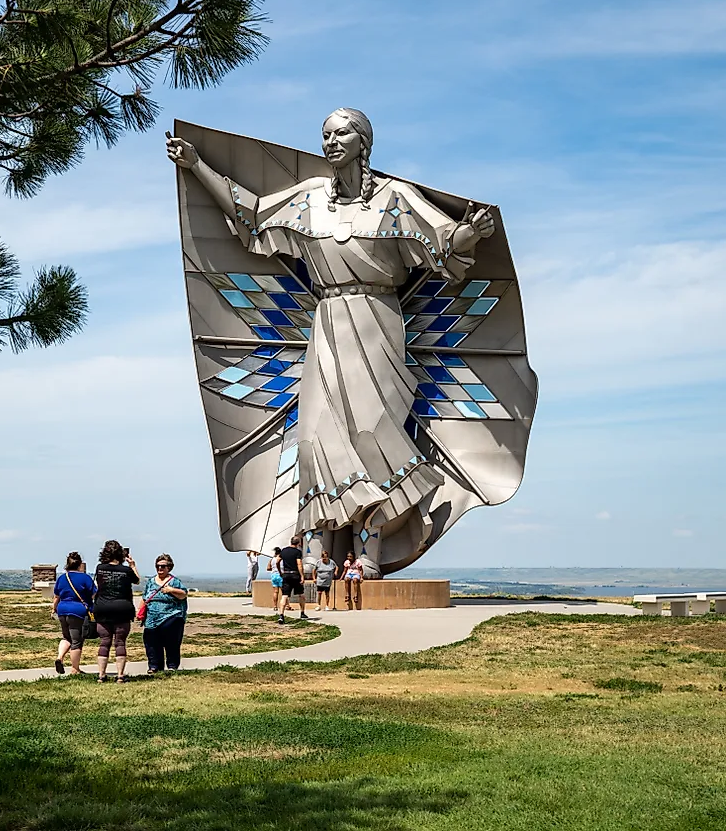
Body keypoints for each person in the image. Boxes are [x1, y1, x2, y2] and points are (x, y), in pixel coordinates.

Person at [167, 110, 497, 574]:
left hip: (377, 320)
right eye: (325, 134)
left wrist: (470, 233)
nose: (331, 141)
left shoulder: (394, 199)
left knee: (371, 433)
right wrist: (197, 166)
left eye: (341, 132)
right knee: (314, 437)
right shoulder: (308, 200)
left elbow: (443, 241)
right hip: (326, 320)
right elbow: (252, 214)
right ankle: (315, 554)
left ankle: (367, 555)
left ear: (364, 142)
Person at [92, 540, 139, 683]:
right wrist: (132, 565)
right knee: (120, 643)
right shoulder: (125, 571)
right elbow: (136, 580)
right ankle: (120, 675)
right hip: (122, 608)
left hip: (103, 608)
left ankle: (101, 675)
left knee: (104, 642)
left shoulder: (100, 568)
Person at [142, 554, 189, 673]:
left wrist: (171, 590)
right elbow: (145, 598)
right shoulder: (151, 582)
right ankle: (154, 666)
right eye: (157, 566)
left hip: (171, 615)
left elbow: (183, 594)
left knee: (171, 642)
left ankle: (172, 666)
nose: (160, 569)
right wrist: (140, 612)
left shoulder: (175, 581)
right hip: (152, 618)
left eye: (163, 566)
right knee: (151, 642)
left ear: (169, 567)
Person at [52, 551, 96, 675]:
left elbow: (56, 596)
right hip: (78, 612)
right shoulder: (85, 578)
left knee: (66, 637)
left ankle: (60, 657)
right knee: (77, 641)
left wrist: (54, 609)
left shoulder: (62, 578)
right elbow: (94, 594)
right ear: (79, 564)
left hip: (62, 610)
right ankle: (75, 669)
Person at [276, 534, 307, 624]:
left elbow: (278, 561)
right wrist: (302, 575)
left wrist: (280, 571)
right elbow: (299, 564)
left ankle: (281, 615)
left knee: (284, 596)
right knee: (301, 594)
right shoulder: (297, 552)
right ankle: (302, 612)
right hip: (295, 575)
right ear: (298, 543)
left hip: (286, 574)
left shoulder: (284, 551)